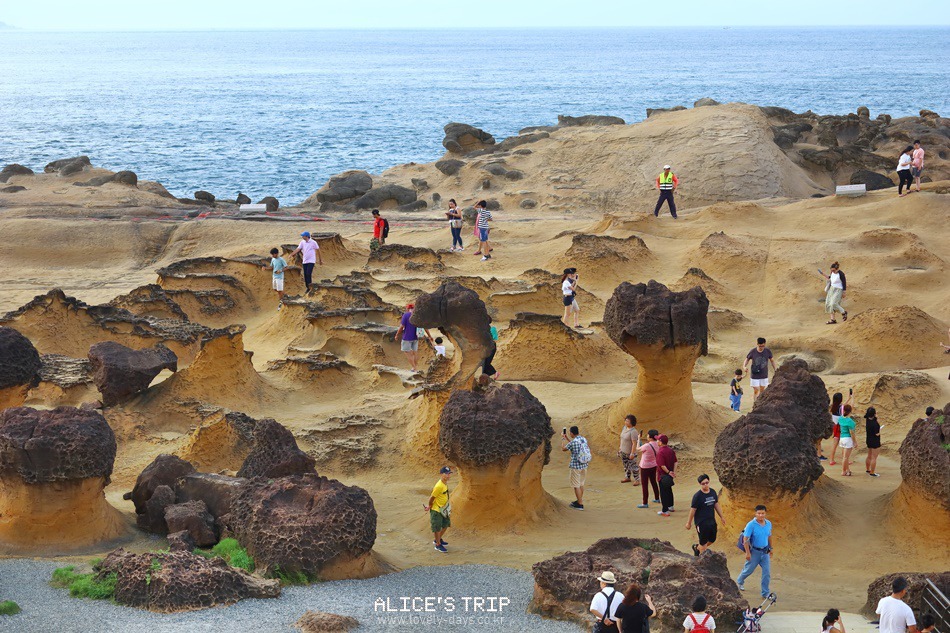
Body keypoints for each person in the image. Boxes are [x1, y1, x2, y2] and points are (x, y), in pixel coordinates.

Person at [736, 504, 773, 598]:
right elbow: (746, 539)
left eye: (763, 513)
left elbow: (769, 536)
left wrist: (771, 548)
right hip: (754, 552)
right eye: (759, 513)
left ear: (765, 513)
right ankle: (739, 582)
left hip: (765, 552)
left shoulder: (768, 523)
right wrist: (748, 553)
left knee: (767, 573)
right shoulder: (751, 525)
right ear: (755, 514)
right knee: (748, 570)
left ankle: (765, 593)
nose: (761, 515)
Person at [686, 474, 725, 556]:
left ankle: (697, 548)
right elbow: (693, 509)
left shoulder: (713, 492)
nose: (705, 485)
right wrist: (688, 523)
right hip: (701, 523)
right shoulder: (697, 496)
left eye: (707, 482)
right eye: (703, 483)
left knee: (712, 539)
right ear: (700, 484)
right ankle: (701, 559)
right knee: (703, 543)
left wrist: (722, 516)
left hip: (711, 521)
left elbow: (716, 504)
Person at [424, 466, 452, 553]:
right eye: (446, 474)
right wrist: (430, 506)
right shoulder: (439, 486)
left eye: (449, 473)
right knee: (437, 528)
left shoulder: (445, 484)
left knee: (446, 524)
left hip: (444, 509)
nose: (448, 476)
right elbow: (431, 498)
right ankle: (438, 545)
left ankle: (438, 539)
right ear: (441, 474)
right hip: (437, 510)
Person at [562, 425, 590, 510]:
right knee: (581, 484)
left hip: (576, 466)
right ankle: (579, 500)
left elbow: (564, 448)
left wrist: (563, 439)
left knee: (576, 485)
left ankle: (580, 504)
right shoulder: (583, 439)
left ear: (571, 433)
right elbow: (573, 444)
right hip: (584, 465)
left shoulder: (573, 443)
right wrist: (567, 438)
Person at [743, 338, 777, 402]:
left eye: (763, 346)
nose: (761, 347)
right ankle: (755, 404)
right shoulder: (753, 351)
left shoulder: (767, 351)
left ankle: (760, 403)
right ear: (757, 344)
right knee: (756, 390)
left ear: (765, 344)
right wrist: (744, 366)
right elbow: (747, 359)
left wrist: (775, 369)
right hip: (755, 375)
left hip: (764, 374)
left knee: (762, 390)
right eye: (760, 346)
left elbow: (772, 360)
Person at [827, 391, 853, 466]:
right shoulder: (841, 408)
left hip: (835, 426)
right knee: (844, 444)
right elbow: (846, 407)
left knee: (834, 444)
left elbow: (842, 405)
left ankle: (831, 460)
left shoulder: (833, 407)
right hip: (841, 427)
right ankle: (845, 460)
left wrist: (848, 398)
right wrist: (851, 398)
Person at [636, 429, 661, 509]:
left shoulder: (647, 445)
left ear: (650, 437)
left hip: (645, 467)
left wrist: (638, 439)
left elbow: (638, 449)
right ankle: (657, 498)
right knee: (653, 482)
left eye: (647, 435)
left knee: (645, 484)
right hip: (653, 465)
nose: (646, 436)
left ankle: (645, 503)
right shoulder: (658, 444)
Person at [395, 303, 423, 372]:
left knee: (407, 352)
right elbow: (424, 326)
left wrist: (397, 335)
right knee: (415, 352)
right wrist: (430, 336)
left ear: (408, 308)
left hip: (407, 337)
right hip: (416, 337)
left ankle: (414, 368)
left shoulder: (406, 315)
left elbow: (401, 327)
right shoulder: (417, 315)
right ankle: (415, 367)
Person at [656, 434, 677, 517]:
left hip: (663, 475)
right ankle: (670, 506)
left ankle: (665, 511)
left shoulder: (660, 452)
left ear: (661, 442)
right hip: (669, 475)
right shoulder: (670, 450)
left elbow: (662, 465)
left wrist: (668, 472)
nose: (657, 441)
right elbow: (676, 462)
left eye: (658, 440)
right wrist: (673, 472)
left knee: (663, 493)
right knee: (669, 490)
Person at [619, 414, 641, 485]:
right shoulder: (624, 428)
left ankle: (637, 479)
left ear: (632, 422)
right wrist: (620, 448)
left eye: (627, 421)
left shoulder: (633, 431)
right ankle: (627, 477)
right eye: (625, 420)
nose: (626, 422)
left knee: (633, 466)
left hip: (630, 452)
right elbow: (622, 438)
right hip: (623, 451)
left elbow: (634, 443)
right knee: (626, 465)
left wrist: (632, 453)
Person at [838, 404, 857, 476]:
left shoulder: (840, 418)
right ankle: (843, 471)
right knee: (846, 457)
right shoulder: (850, 421)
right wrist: (855, 442)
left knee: (845, 456)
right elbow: (852, 433)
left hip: (842, 438)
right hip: (847, 439)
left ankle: (847, 470)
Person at [864, 407, 882, 477]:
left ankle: (868, 469)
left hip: (869, 439)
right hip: (875, 441)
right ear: (874, 414)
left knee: (869, 456)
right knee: (874, 457)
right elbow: (877, 433)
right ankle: (872, 472)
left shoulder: (867, 419)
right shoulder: (875, 424)